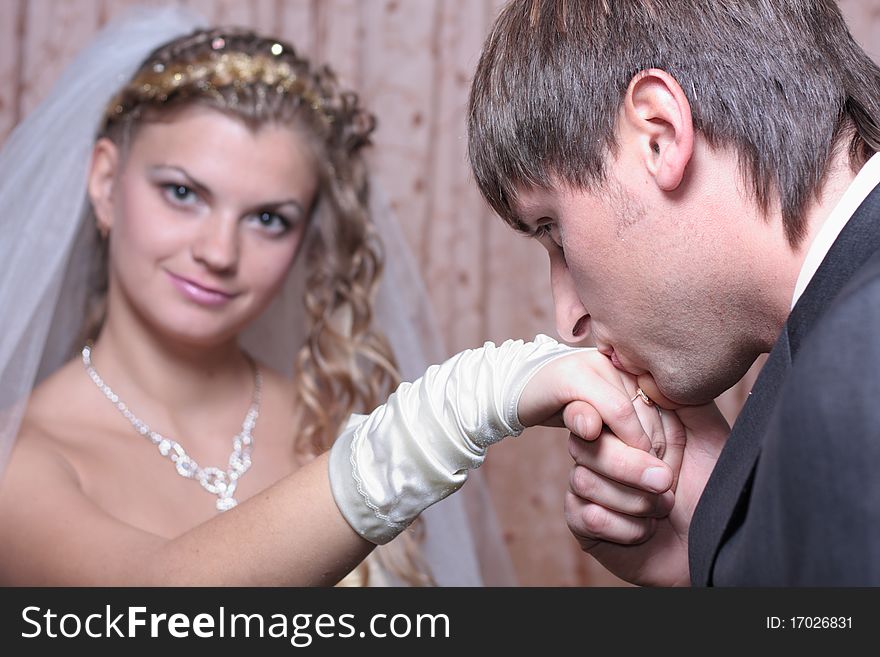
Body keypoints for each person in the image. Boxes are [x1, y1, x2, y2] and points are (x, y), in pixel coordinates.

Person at [0, 7, 665, 586]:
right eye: (182, 193)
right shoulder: (21, 457)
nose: (218, 251)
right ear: (105, 182)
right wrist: (465, 403)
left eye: (269, 218)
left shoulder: (334, 412)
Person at [467, 0, 880, 585]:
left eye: (553, 231)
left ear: (658, 135)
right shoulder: (841, 332)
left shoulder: (862, 347)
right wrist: (719, 548)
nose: (569, 319)